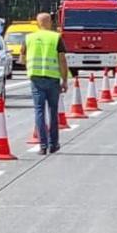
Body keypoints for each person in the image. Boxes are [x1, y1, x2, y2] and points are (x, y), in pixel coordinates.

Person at [24, 12, 70, 156]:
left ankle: (42, 145)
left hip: (36, 79)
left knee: (39, 111)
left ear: (37, 23)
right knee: (53, 111)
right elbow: (62, 60)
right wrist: (65, 80)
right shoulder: (55, 37)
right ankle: (53, 144)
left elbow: (21, 58)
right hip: (52, 79)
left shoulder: (29, 38)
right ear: (50, 22)